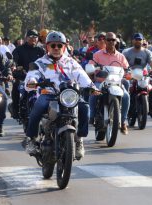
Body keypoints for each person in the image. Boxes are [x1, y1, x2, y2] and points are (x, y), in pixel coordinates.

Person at [24, 31, 99, 159]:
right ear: (47, 47)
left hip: (69, 95)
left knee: (84, 108)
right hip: (49, 94)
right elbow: (32, 75)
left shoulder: (71, 62)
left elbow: (81, 75)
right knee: (37, 107)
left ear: (64, 47)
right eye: (53, 45)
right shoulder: (39, 62)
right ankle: (31, 139)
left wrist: (91, 87)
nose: (56, 48)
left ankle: (79, 139)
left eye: (59, 45)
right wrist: (32, 82)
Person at [89, 32, 130, 134]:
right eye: (108, 40)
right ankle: (92, 116)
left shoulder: (121, 56)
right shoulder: (97, 54)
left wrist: (129, 73)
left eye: (113, 40)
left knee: (126, 96)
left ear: (116, 41)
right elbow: (91, 65)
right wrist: (92, 69)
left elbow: (127, 69)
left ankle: (123, 121)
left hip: (116, 83)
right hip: (101, 82)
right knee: (94, 93)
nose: (111, 42)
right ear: (105, 41)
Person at [123, 33, 152, 119]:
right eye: (136, 39)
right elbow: (123, 64)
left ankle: (151, 108)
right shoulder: (126, 52)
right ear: (133, 41)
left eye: (140, 39)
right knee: (126, 86)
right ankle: (127, 109)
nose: (138, 41)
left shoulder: (147, 52)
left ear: (143, 41)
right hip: (130, 75)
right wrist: (126, 71)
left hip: (143, 75)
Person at [10, 29, 45, 119]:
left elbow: (47, 62)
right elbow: (14, 60)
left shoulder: (41, 51)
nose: (33, 39)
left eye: (35, 37)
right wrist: (14, 66)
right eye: (31, 37)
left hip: (38, 78)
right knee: (16, 86)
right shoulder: (19, 49)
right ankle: (15, 110)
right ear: (26, 38)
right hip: (23, 76)